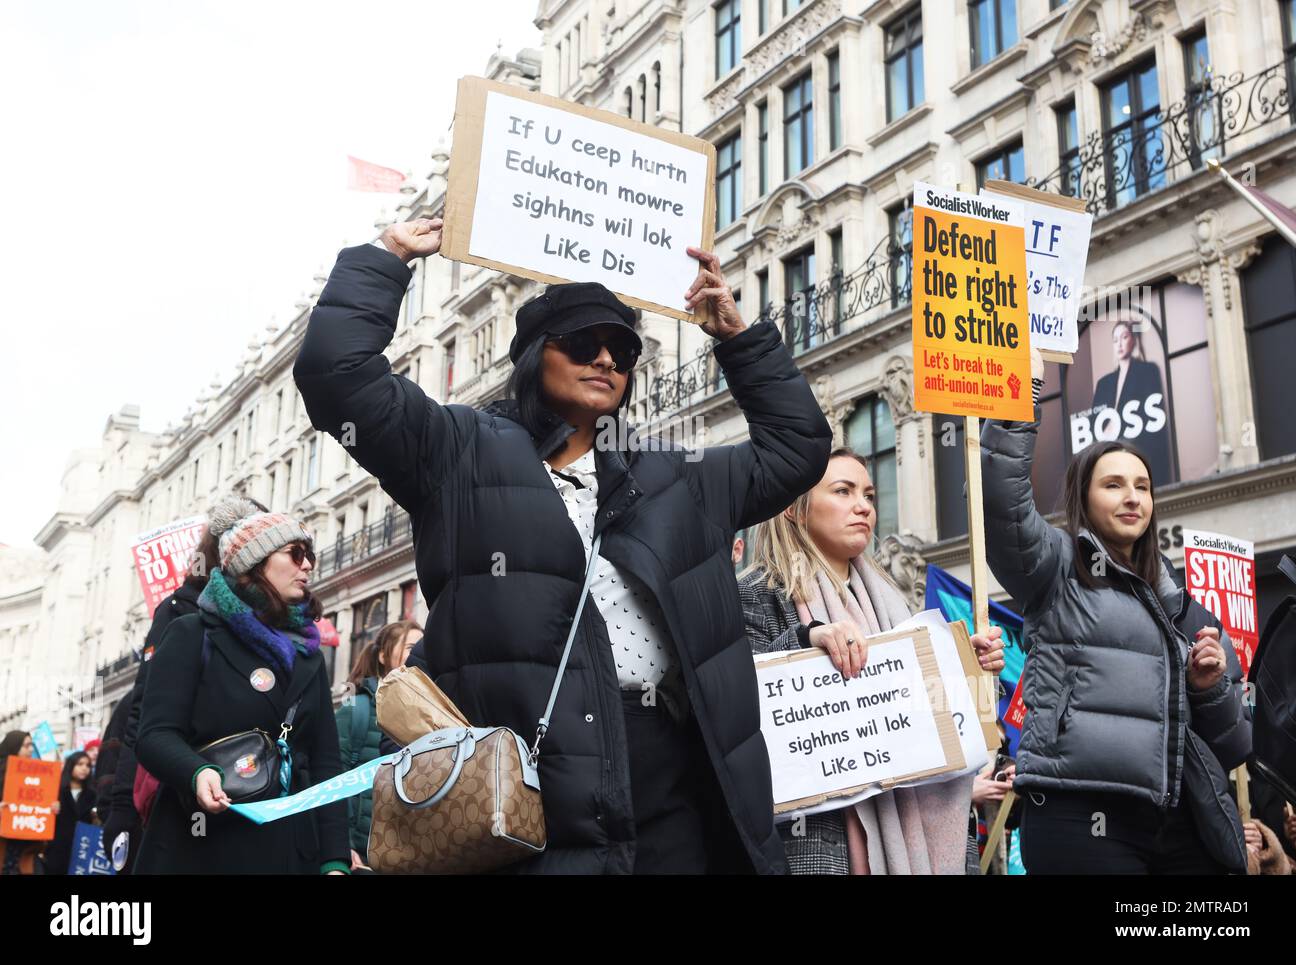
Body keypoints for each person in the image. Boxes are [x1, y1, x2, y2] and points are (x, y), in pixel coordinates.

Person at [294, 217, 832, 873]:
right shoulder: (458, 451)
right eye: (582, 343)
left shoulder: (676, 476)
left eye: (623, 351)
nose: (605, 360)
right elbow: (336, 374)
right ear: (533, 355)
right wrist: (389, 257)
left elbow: (798, 448)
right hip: (526, 793)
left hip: (673, 790)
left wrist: (736, 338)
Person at [982, 348, 1251, 874]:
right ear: (1082, 498)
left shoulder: (1189, 611)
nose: (1132, 498)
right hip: (1078, 813)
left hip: (1179, 821)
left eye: (1142, 487)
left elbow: (1235, 744)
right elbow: (1002, 504)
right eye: (1113, 485)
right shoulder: (1057, 566)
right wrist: (1021, 396)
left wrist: (1209, 688)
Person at [737, 446, 1004, 874]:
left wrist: (965, 670)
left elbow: (936, 729)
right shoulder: (752, 594)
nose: (863, 507)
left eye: (869, 495)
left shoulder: (897, 606)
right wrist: (806, 640)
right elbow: (732, 710)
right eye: (843, 491)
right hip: (815, 844)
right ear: (792, 508)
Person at [134, 496, 349, 874]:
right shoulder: (192, 633)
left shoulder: (309, 654)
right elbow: (154, 735)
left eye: (309, 555)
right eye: (295, 554)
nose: (308, 565)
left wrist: (335, 859)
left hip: (289, 851)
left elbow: (325, 763)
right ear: (254, 563)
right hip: (201, 845)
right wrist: (197, 772)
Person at [335, 619, 420, 870]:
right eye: (411, 647)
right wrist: (342, 844)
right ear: (383, 656)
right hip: (363, 855)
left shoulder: (431, 708)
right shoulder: (356, 709)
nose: (420, 653)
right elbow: (334, 779)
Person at [1089, 317, 1172, 485]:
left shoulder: (1148, 371)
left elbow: (1155, 425)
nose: (1119, 344)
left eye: (1124, 337)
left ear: (1134, 340)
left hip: (1138, 454)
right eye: (1115, 340)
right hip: (1109, 457)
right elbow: (1092, 426)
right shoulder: (1104, 383)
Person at [43, 751, 96, 875]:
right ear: (70, 766)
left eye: (88, 765)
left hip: (82, 849)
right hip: (57, 848)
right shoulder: (56, 790)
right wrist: (51, 808)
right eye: (80, 764)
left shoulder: (92, 794)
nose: (84, 768)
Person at [0, 731, 38, 875]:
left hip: (23, 842)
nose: (31, 750)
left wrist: (51, 808)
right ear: (14, 746)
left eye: (31, 745)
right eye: (26, 746)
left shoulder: (36, 773)